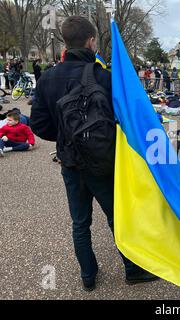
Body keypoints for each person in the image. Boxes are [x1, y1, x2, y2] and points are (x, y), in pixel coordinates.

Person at [30, 16, 158, 291]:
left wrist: (66, 137)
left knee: (80, 222)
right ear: (91, 42)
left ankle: (88, 276)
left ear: (65, 42)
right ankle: (133, 269)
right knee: (117, 216)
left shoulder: (48, 78)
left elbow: (39, 124)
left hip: (70, 162)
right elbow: (124, 118)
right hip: (102, 161)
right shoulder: (104, 75)